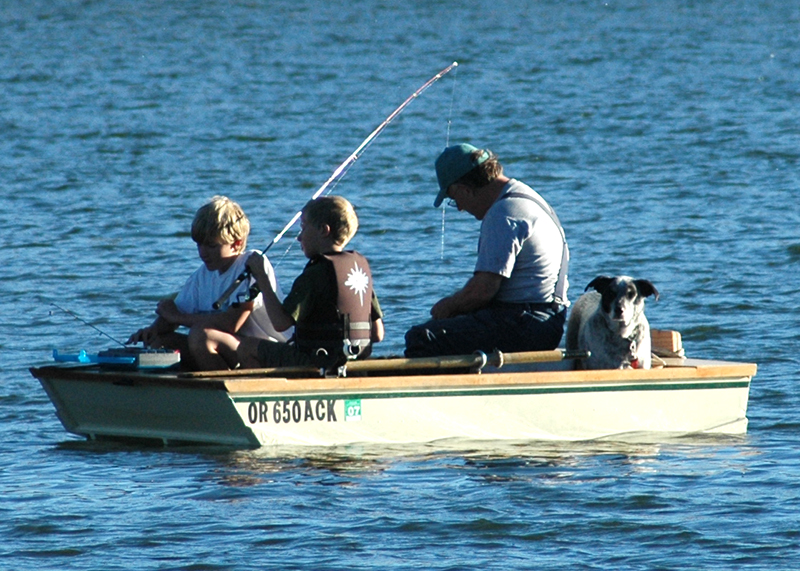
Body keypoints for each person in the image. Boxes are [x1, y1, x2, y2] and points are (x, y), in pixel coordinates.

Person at [404, 143, 569, 357]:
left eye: (455, 200)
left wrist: (447, 306)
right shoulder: (524, 195)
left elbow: (483, 291)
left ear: (464, 189)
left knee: (422, 337)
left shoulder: (503, 214)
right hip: (548, 319)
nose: (461, 208)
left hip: (528, 324)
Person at [126, 195, 287, 370]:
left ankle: (220, 388)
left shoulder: (251, 264)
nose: (202, 253)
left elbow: (231, 324)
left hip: (267, 353)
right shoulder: (201, 276)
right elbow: (174, 314)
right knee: (161, 342)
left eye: (211, 246)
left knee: (201, 336)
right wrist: (152, 330)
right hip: (235, 349)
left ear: (236, 244)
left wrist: (177, 317)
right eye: (199, 245)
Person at [236, 195, 384, 370]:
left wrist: (262, 278)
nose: (299, 237)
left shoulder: (315, 273)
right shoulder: (360, 269)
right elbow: (377, 334)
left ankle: (273, 393)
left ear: (323, 230)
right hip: (354, 363)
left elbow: (280, 323)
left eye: (303, 228)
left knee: (246, 347)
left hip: (316, 363)